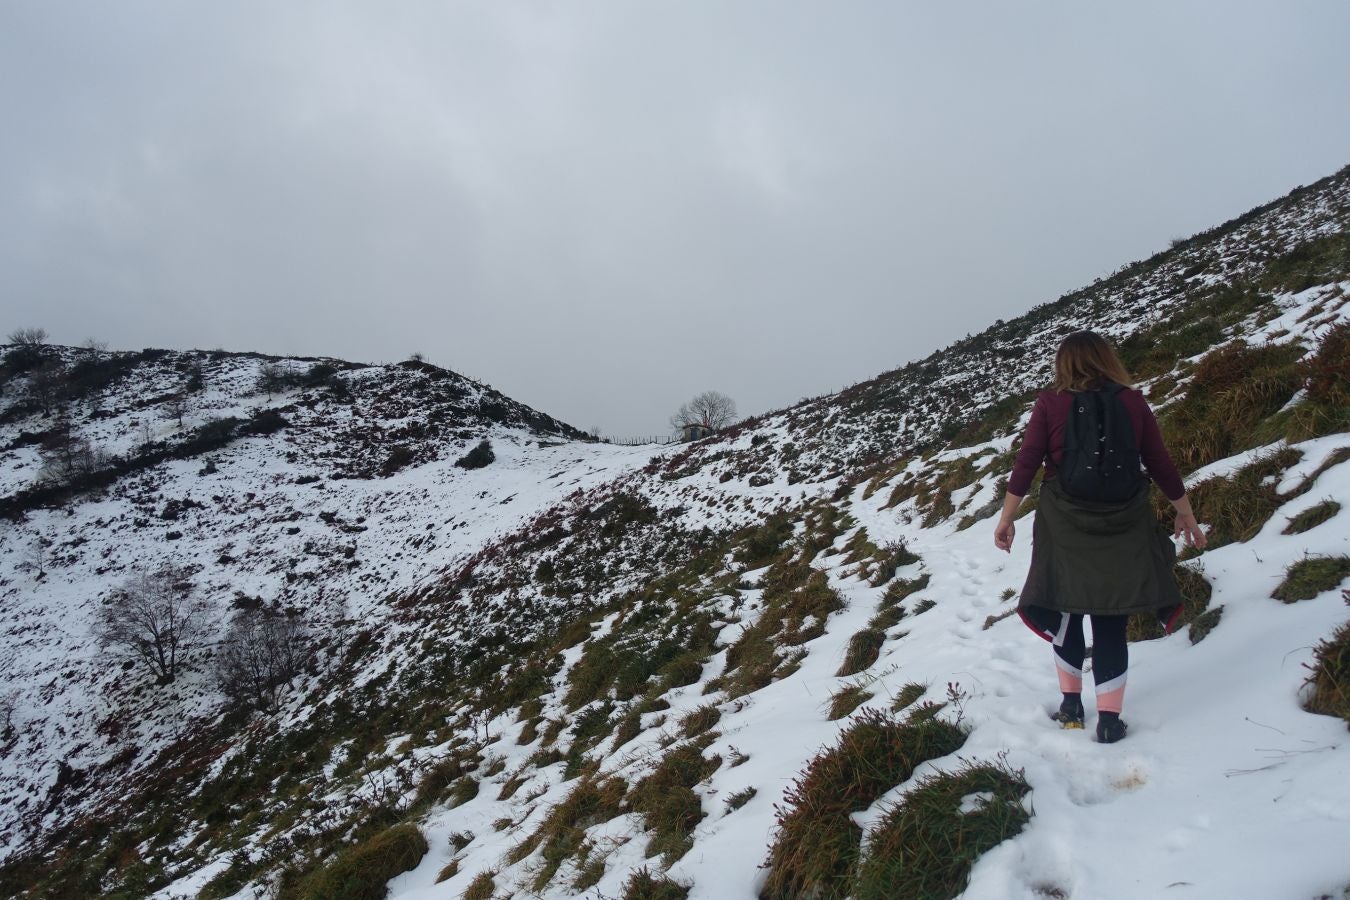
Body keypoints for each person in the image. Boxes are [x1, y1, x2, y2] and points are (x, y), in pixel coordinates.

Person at [993, 330, 1206, 743]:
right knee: (1111, 615)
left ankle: (1071, 707)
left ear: (1064, 364)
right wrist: (1185, 513)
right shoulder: (1132, 401)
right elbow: (1159, 461)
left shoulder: (1050, 403)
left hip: (1064, 522)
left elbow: (1027, 463)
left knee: (1064, 605)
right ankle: (1109, 720)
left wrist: (1007, 518)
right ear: (1108, 359)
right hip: (1124, 521)